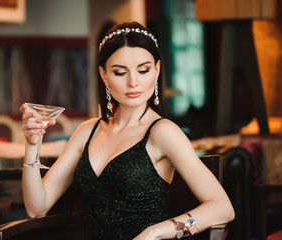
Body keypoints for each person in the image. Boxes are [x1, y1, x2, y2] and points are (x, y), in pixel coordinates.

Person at [20, 21, 234, 240]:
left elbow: (223, 208)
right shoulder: (87, 131)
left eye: (143, 70)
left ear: (157, 70)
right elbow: (36, 208)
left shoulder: (163, 132)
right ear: (104, 76)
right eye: (120, 73)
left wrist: (156, 232)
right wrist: (32, 144)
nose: (134, 82)